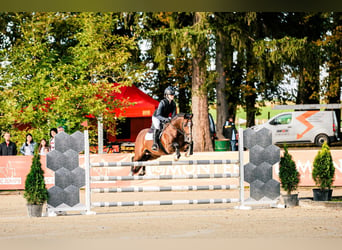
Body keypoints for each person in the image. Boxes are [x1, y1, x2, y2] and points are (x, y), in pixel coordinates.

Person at [151, 86, 177, 151]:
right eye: (171, 95)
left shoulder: (173, 104)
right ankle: (155, 144)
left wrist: (172, 120)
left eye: (173, 95)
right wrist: (166, 119)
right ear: (167, 95)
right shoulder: (162, 103)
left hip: (165, 117)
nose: (172, 96)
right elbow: (158, 115)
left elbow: (174, 115)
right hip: (156, 117)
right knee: (158, 127)